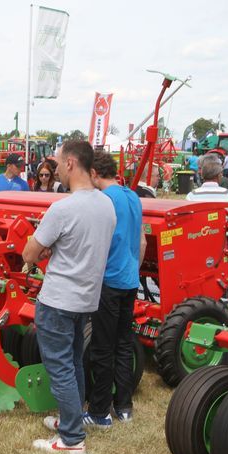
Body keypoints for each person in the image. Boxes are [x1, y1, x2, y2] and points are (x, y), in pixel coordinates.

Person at [22, 140, 116, 454]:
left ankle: (72, 439)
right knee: (73, 363)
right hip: (86, 299)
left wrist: (43, 246)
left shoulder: (63, 208)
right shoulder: (106, 205)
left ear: (72, 163)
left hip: (58, 299)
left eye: (60, 162)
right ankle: (70, 419)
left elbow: (29, 253)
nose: (57, 168)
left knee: (60, 367)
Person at [87, 151, 145, 426]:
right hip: (130, 281)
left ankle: (99, 410)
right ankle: (124, 407)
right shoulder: (133, 196)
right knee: (124, 345)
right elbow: (142, 242)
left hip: (108, 282)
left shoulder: (104, 200)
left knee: (102, 348)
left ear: (95, 173)